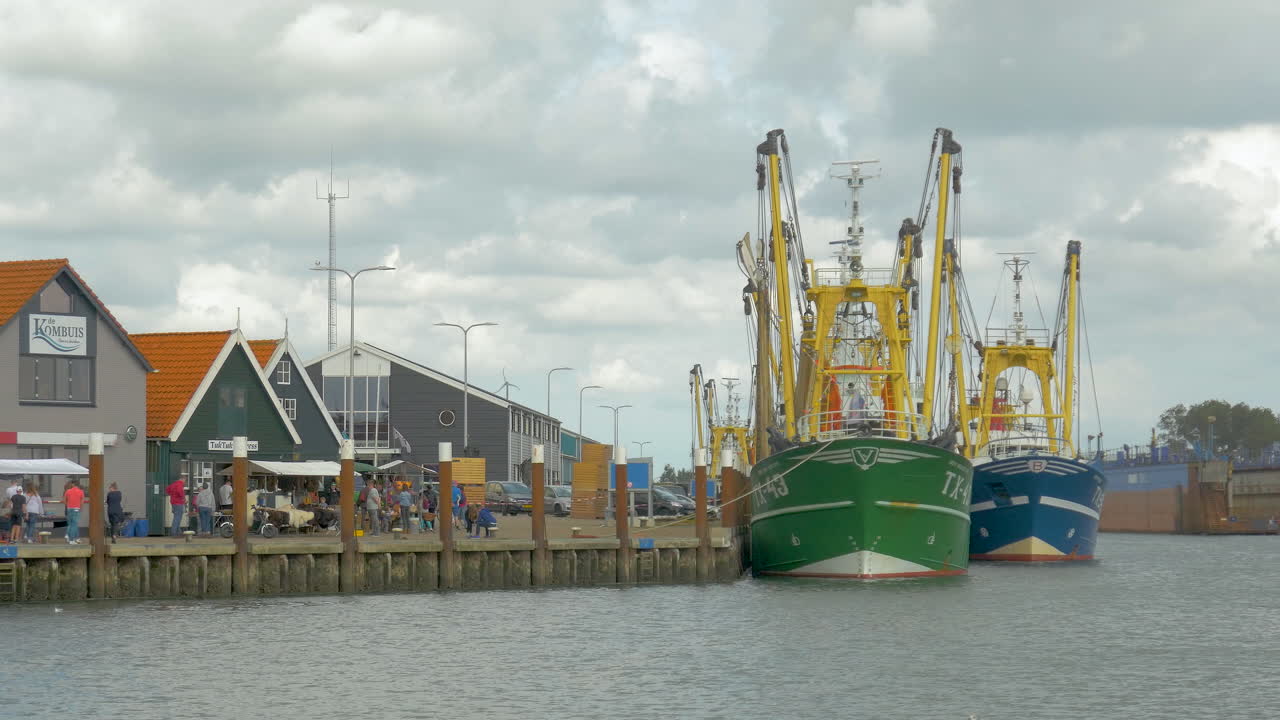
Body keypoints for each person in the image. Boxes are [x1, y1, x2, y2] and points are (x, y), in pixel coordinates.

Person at [63, 479, 85, 545]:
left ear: (72, 484)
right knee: (74, 524)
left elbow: (64, 500)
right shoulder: (81, 491)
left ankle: (72, 537)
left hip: (69, 509)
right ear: (78, 485)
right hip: (76, 509)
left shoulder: (68, 491)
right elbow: (82, 502)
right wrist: (80, 508)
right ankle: (72, 540)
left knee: (70, 524)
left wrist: (68, 505)